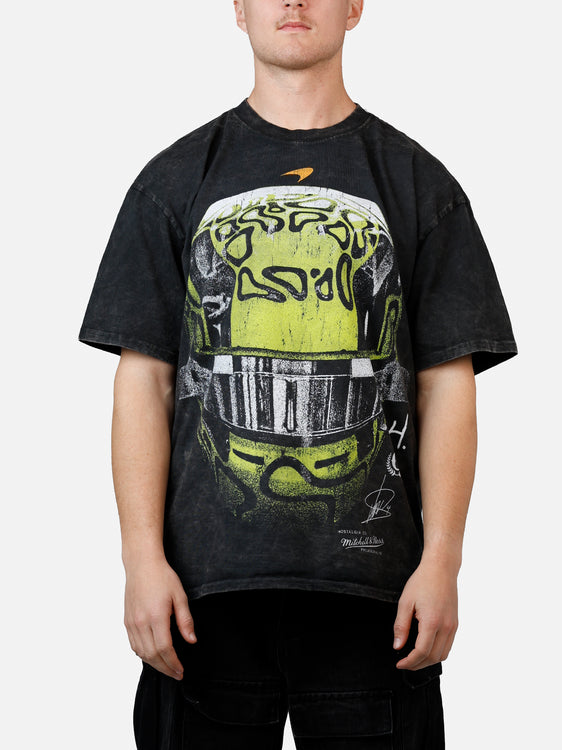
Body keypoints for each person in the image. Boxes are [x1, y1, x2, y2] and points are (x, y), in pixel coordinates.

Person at [79, 1, 517, 747]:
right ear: (238, 9)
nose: (292, 0)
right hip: (203, 597)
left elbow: (447, 383)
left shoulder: (420, 185)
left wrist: (443, 561)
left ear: (354, 8)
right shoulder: (172, 181)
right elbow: (144, 381)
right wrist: (141, 560)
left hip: (375, 599)